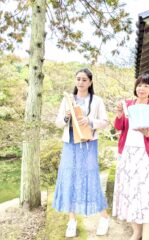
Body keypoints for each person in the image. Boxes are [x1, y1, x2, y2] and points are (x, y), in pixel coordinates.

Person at [53, 68, 110, 238]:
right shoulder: (67, 100)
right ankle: (72, 221)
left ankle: (104, 218)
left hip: (88, 144)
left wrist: (90, 121)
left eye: (84, 79)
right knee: (69, 178)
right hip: (70, 144)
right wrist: (66, 117)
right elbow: (57, 123)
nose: (80, 82)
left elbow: (105, 122)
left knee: (91, 178)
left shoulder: (97, 101)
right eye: (78, 79)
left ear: (90, 82)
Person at [112, 73, 149, 240]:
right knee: (129, 191)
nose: (142, 88)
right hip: (127, 153)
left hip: (144, 153)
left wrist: (148, 133)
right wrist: (119, 114)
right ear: (136, 88)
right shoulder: (127, 104)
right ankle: (136, 233)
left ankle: (147, 236)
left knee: (147, 192)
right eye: (140, 85)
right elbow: (119, 127)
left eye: (146, 86)